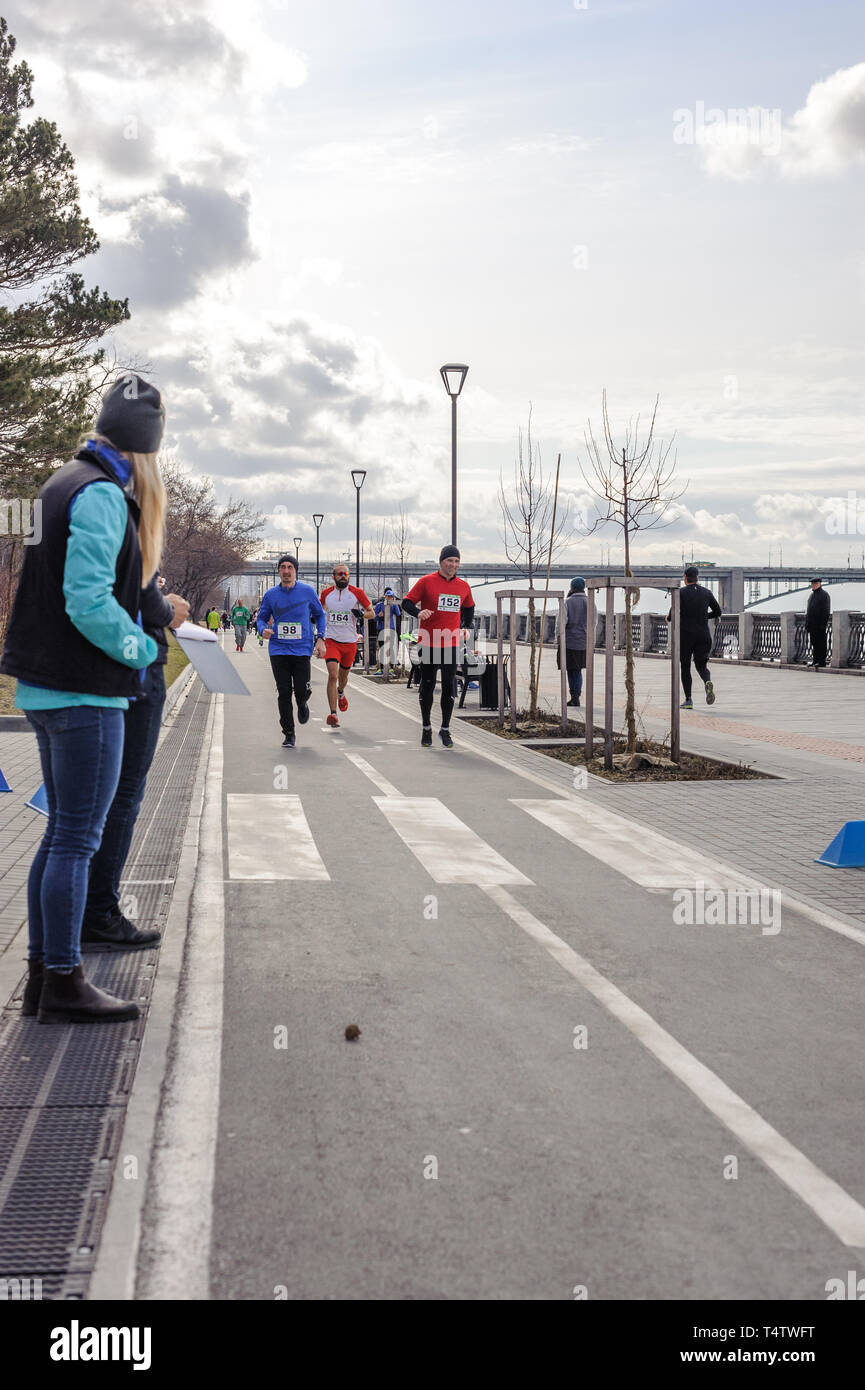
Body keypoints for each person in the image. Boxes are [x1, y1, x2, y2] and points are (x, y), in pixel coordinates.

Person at [0, 374, 167, 1022]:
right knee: (77, 839)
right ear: (145, 445)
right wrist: (143, 649)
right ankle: (65, 979)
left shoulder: (60, 482)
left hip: (43, 690)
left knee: (60, 838)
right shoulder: (100, 496)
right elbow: (89, 601)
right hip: (82, 694)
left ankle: (45, 974)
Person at [80, 572, 190, 950]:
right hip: (135, 669)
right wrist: (166, 609)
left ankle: (66, 937)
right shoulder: (122, 516)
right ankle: (98, 914)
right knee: (123, 794)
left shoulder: (58, 515)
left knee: (96, 802)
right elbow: (133, 589)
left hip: (101, 668)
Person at [402, 545, 474, 748]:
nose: (453, 565)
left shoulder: (463, 586)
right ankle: (426, 727)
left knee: (449, 685)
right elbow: (406, 603)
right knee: (428, 684)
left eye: (456, 561)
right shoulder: (426, 582)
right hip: (428, 641)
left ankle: (445, 729)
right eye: (449, 560)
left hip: (450, 642)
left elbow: (469, 608)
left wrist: (466, 627)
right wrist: (418, 613)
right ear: (441, 561)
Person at [257, 555, 327, 747]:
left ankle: (303, 702)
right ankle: (289, 733)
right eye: (282, 568)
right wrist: (263, 630)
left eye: (290, 568)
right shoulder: (271, 595)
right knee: (283, 691)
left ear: (295, 571)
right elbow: (261, 618)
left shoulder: (307, 591)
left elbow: (320, 615)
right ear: (279, 571)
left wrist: (321, 638)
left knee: (300, 691)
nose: (286, 571)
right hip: (278, 649)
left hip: (302, 649)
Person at [319, 563, 374, 727]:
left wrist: (362, 614)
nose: (343, 576)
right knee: (333, 675)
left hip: (349, 642)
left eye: (345, 573)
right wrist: (316, 623)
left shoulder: (357, 593)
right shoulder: (326, 594)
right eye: (339, 573)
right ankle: (333, 714)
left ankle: (341, 692)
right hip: (331, 640)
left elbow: (371, 612)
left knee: (343, 678)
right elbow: (319, 612)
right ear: (333, 576)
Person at [669, 565, 721, 709]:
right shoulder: (706, 592)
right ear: (697, 578)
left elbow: (672, 614)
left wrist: (669, 618)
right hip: (704, 636)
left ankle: (688, 700)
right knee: (701, 666)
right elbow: (718, 611)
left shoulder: (680, 593)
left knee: (685, 667)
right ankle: (707, 682)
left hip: (686, 636)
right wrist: (704, 616)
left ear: (685, 578)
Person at [556, 576, 587, 707]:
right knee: (578, 670)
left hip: (569, 641)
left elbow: (561, 622)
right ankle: (577, 695)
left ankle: (574, 696)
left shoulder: (567, 602)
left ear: (572, 587)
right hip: (583, 642)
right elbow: (594, 622)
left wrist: (558, 637)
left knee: (570, 669)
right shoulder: (590, 602)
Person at [374, 587, 402, 672]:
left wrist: (395, 603)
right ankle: (382, 668)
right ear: (385, 596)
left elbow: (398, 613)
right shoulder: (379, 605)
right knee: (382, 648)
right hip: (381, 629)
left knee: (391, 648)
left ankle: (391, 667)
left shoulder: (393, 605)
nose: (389, 598)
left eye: (391, 597)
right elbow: (374, 618)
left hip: (391, 629)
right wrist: (379, 616)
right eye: (388, 596)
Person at [806, 577, 831, 669]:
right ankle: (815, 661)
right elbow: (809, 611)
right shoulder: (812, 595)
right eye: (812, 583)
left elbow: (826, 611)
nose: (813, 585)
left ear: (820, 584)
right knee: (814, 643)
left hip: (820, 625)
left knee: (821, 644)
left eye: (815, 583)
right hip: (812, 625)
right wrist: (807, 623)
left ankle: (822, 662)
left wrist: (822, 625)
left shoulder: (824, 595)